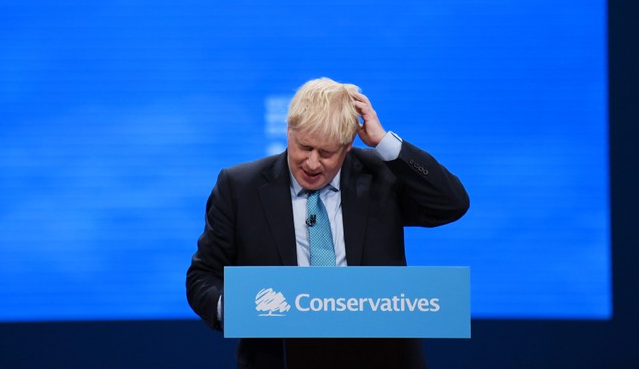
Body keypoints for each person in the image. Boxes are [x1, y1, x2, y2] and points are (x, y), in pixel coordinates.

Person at [186, 78, 470, 368]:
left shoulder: (381, 177)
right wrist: (240, 307)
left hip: (382, 356)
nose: (312, 163)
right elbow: (202, 276)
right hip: (280, 357)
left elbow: (451, 204)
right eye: (304, 147)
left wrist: (384, 143)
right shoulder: (239, 187)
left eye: (326, 153)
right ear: (289, 131)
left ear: (347, 146)